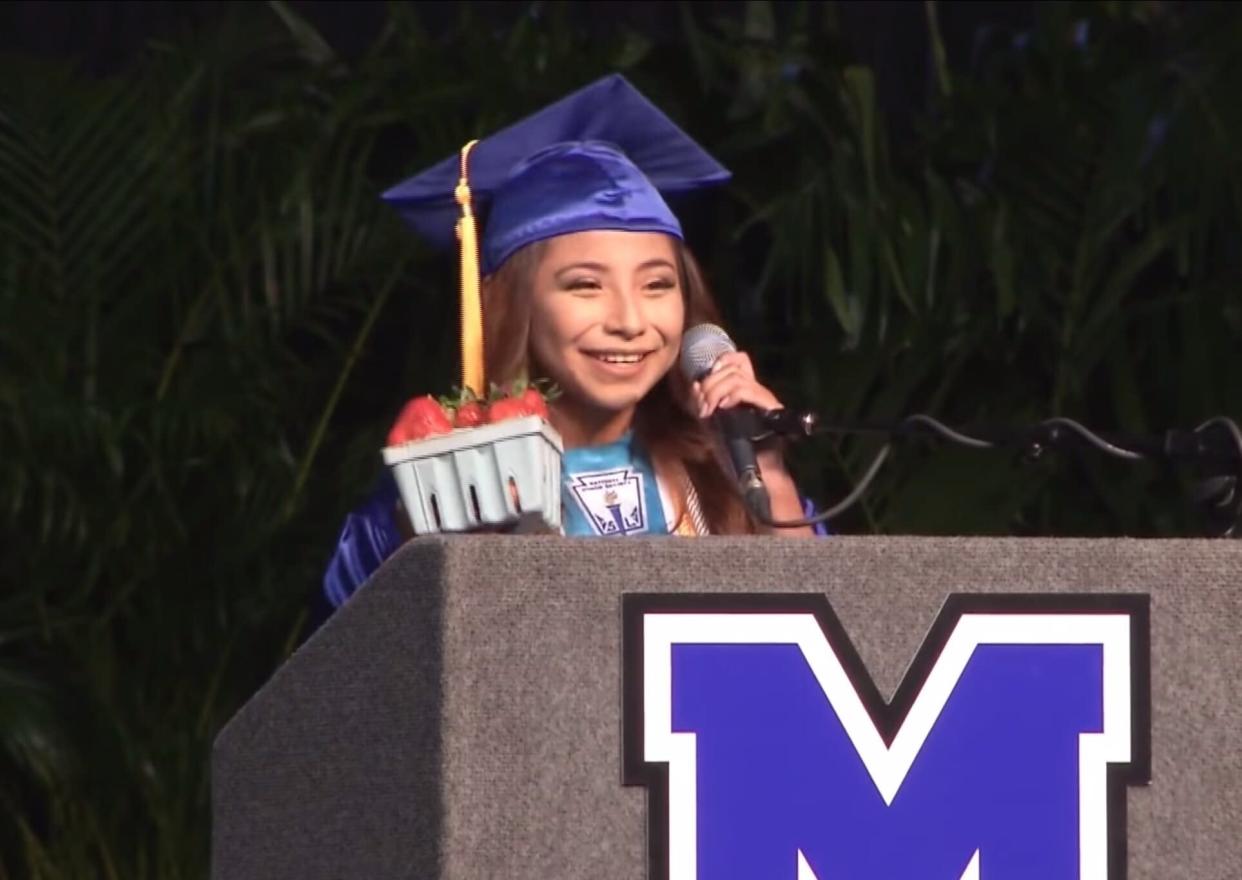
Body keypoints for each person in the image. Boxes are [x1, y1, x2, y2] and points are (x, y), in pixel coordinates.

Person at [320, 74, 826, 613]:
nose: (631, 321)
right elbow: (352, 675)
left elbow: (821, 649)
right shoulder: (443, 489)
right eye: (586, 285)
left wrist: (766, 470)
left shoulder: (719, 475)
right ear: (514, 305)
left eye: (657, 284)